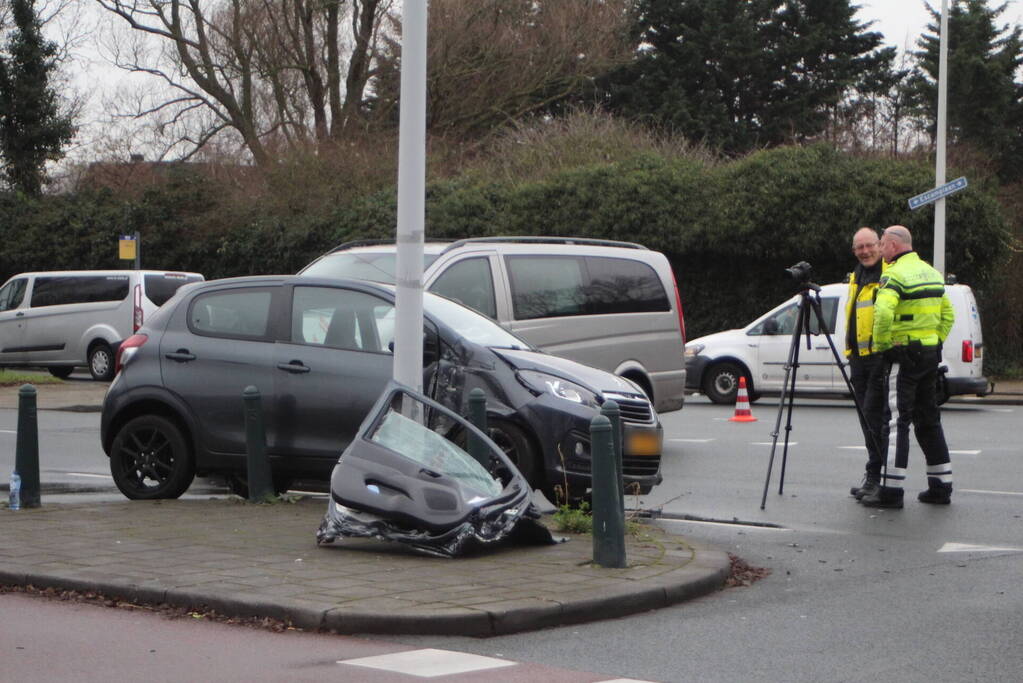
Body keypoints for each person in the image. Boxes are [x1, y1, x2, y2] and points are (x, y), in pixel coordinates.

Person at [860, 225, 955, 509]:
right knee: (929, 419)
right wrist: (935, 340)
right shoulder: (931, 272)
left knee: (896, 421)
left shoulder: (894, 274)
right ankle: (941, 486)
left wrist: (883, 346)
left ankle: (891, 490)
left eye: (881, 245)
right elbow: (947, 313)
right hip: (929, 354)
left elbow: (884, 311)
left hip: (904, 355)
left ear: (892, 245)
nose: (879, 250)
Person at [845, 227, 888, 501]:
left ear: (880, 245)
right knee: (866, 419)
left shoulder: (887, 276)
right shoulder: (856, 277)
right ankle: (873, 475)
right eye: (859, 247)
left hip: (879, 360)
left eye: (869, 245)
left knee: (876, 420)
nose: (865, 251)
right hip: (858, 360)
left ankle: (880, 478)